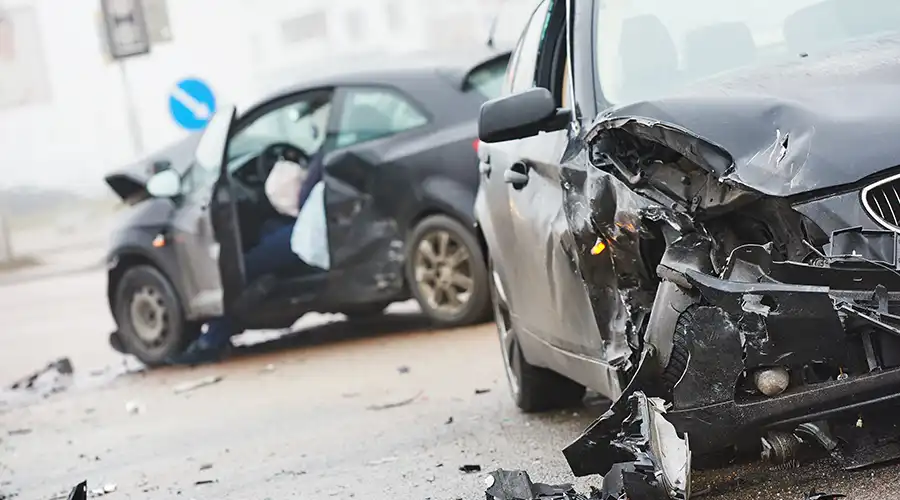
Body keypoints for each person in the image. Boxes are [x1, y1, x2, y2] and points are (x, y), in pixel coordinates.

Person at [167, 149, 325, 365]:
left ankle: (212, 341)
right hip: (312, 224)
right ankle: (270, 280)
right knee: (267, 229)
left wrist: (301, 184)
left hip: (310, 232)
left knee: (241, 270)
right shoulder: (337, 146)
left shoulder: (329, 153)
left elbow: (305, 198)